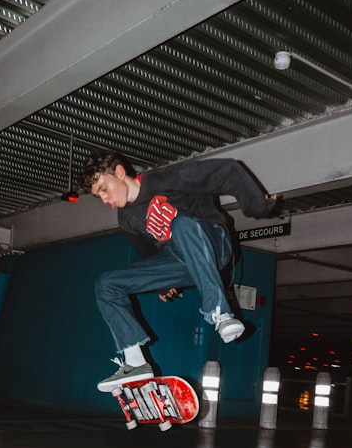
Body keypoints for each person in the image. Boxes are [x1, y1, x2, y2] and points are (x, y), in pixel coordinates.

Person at [78, 150, 279, 392]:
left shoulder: (166, 179)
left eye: (104, 189)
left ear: (119, 173)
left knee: (182, 224)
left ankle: (220, 313)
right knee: (107, 283)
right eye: (98, 195)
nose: (104, 199)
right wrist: (163, 283)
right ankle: (135, 362)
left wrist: (258, 206)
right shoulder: (127, 218)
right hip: (179, 261)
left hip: (214, 245)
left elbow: (227, 170)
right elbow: (148, 251)